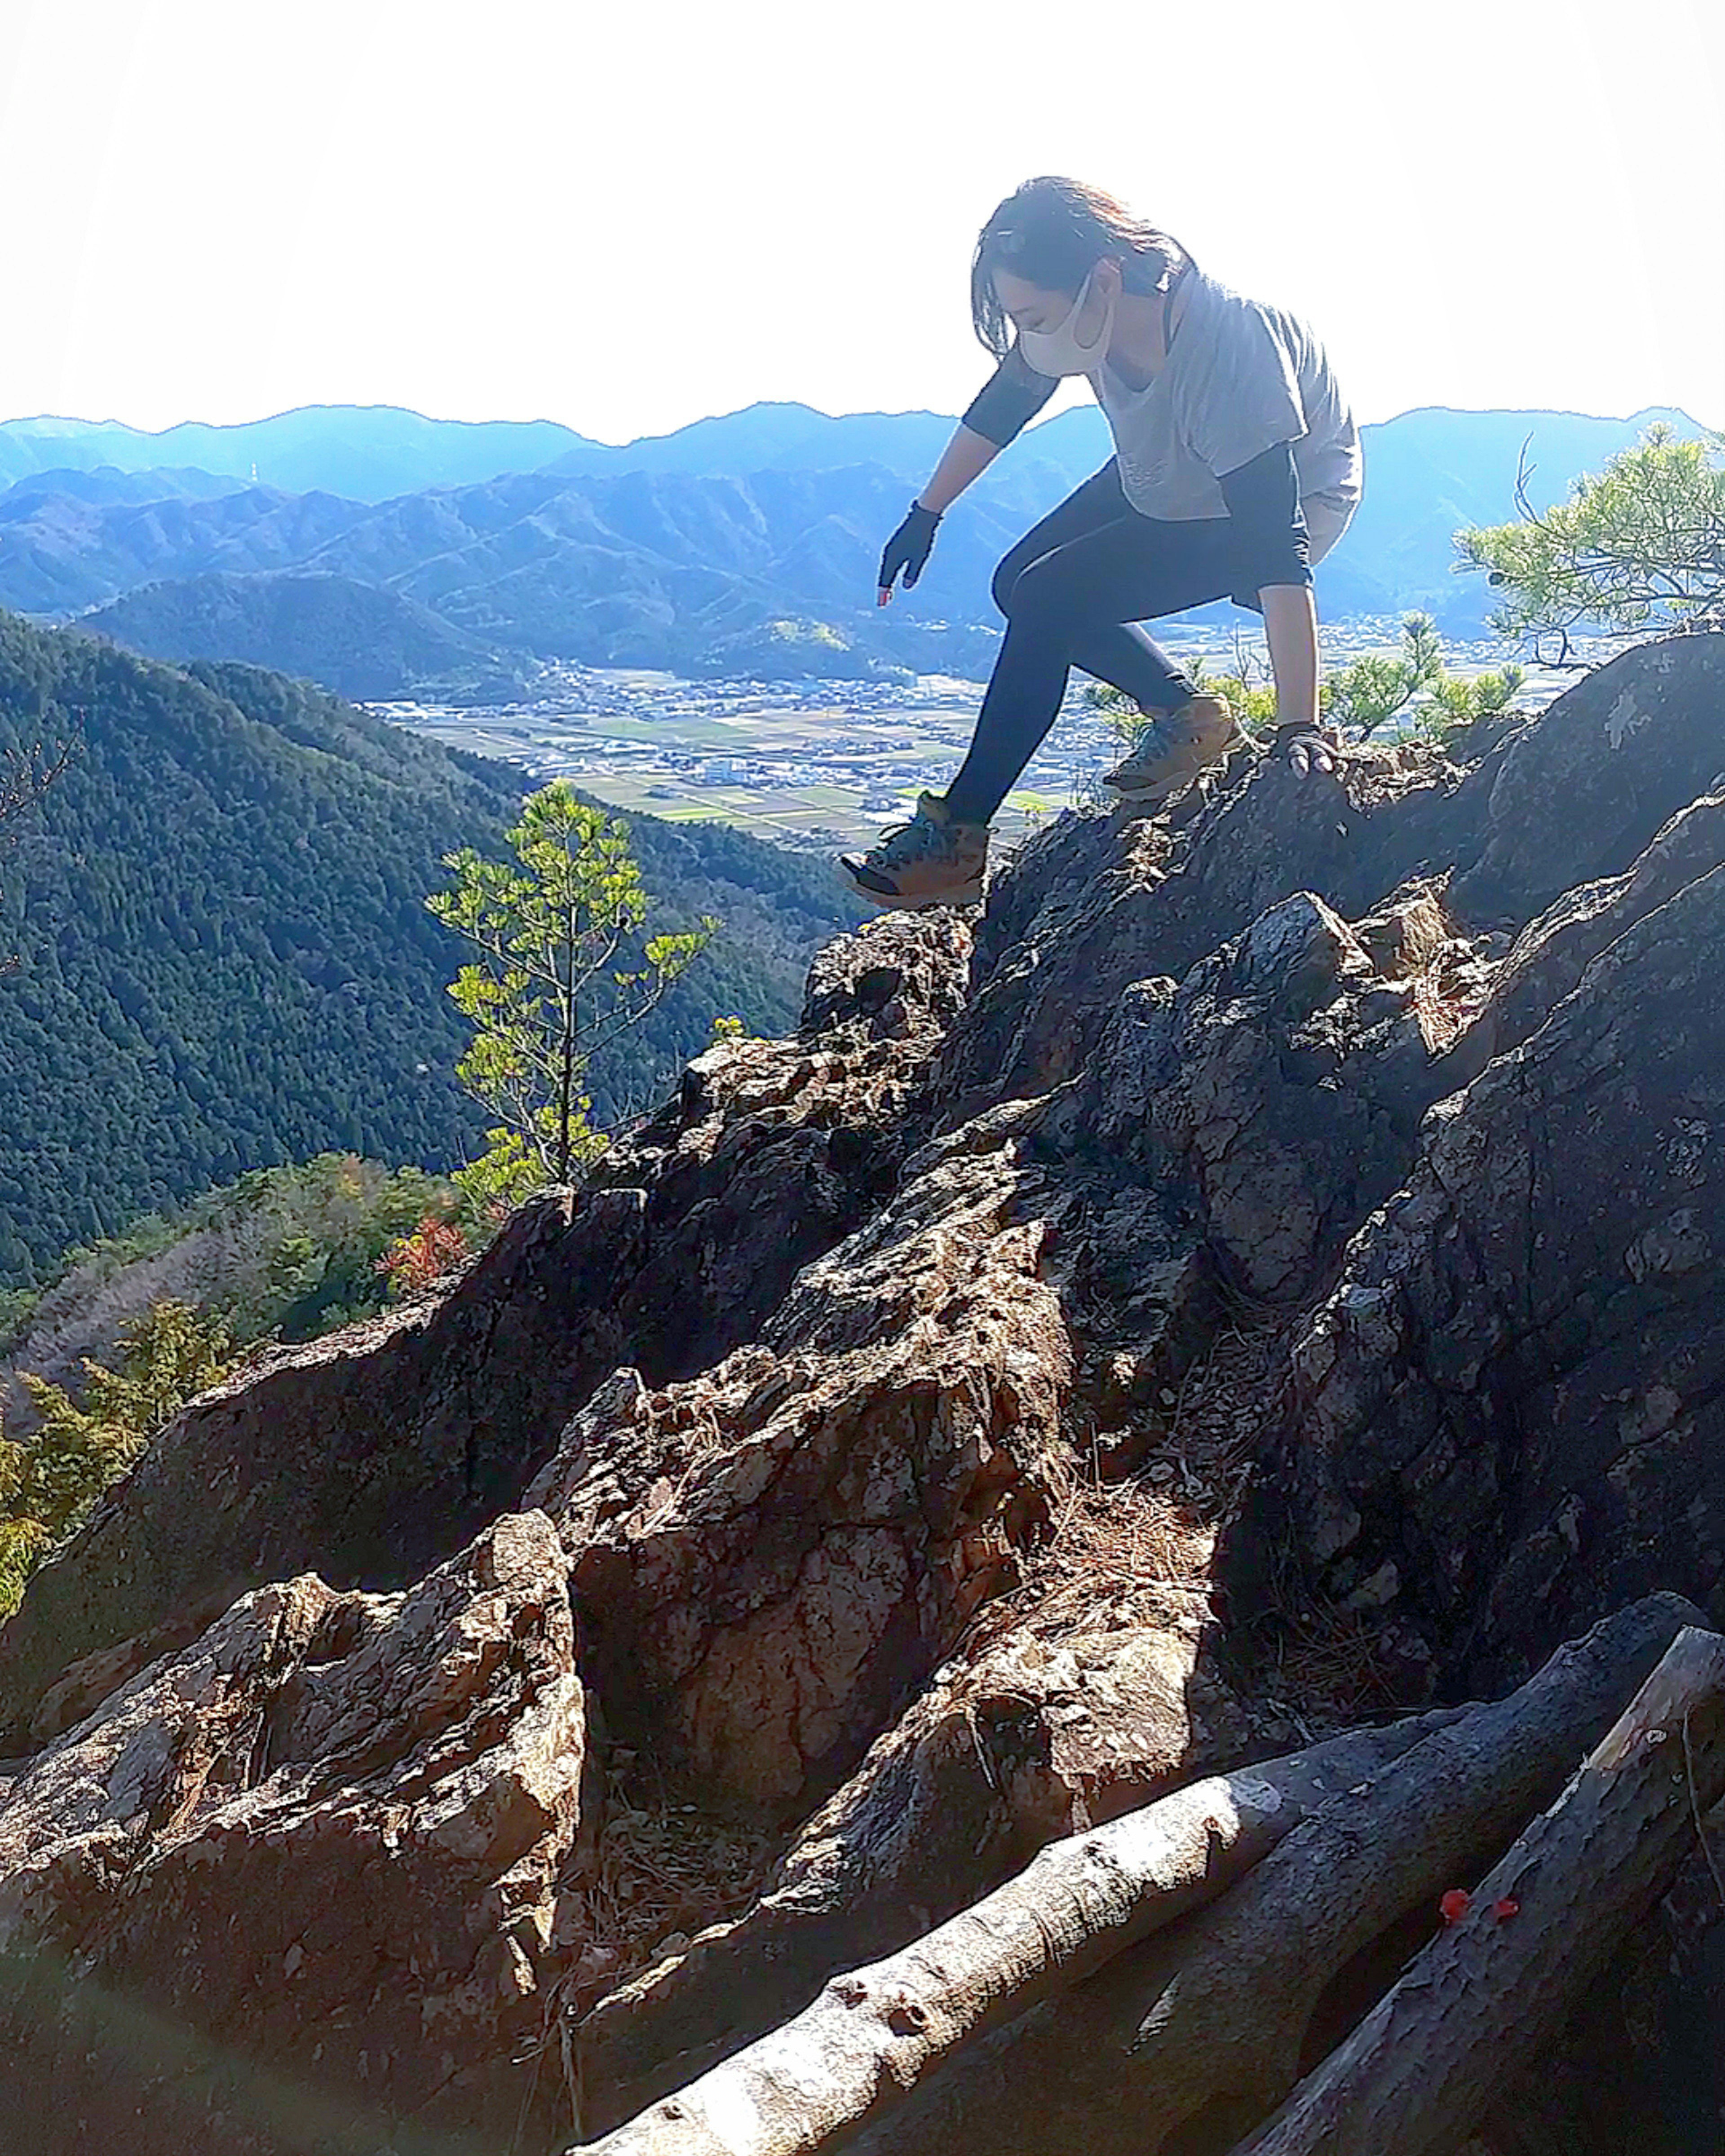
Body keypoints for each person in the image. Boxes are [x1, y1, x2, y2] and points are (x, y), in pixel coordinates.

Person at [839, 175, 1361, 910]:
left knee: (1050, 597)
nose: (1032, 335)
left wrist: (1299, 726)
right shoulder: (1091, 312)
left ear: (1104, 281)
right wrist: (928, 512)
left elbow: (1279, 544)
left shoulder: (1228, 349)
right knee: (1016, 582)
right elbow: (1010, 399)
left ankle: (959, 835)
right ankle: (1187, 716)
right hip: (1170, 470)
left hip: (1272, 502)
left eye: (1035, 315)